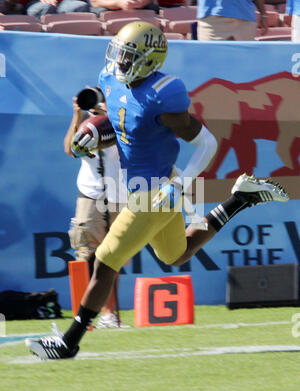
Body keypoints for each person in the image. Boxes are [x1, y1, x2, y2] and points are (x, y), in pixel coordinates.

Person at [26, 21, 289, 359]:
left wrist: (179, 186)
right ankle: (242, 198)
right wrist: (91, 133)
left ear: (148, 59)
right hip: (148, 188)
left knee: (105, 262)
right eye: (120, 53)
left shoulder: (162, 93)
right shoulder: (110, 77)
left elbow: (207, 143)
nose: (120, 61)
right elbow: (121, 118)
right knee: (175, 255)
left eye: (128, 55)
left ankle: (68, 342)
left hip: (154, 191)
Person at [64, 94, 129, 328]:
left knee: (113, 256)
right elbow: (71, 150)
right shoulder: (85, 124)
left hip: (119, 196)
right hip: (90, 195)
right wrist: (78, 116)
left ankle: (110, 315)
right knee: (87, 254)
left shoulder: (121, 119)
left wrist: (108, 116)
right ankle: (89, 317)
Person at [197, 0, 268, 41]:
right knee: (210, 62)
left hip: (245, 20)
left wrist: (263, 14)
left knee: (243, 64)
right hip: (213, 19)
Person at [88, 0, 159, 18]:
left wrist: (140, 3)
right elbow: (95, 2)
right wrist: (118, 3)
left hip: (137, 9)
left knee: (153, 9)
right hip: (108, 10)